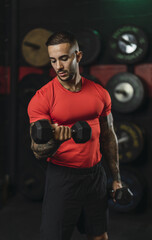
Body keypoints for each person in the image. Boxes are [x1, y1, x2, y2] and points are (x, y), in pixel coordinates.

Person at [27, 31, 122, 240]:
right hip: (63, 178)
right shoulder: (42, 99)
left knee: (99, 236)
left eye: (64, 58)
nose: (58, 66)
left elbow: (108, 135)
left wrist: (116, 179)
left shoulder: (100, 93)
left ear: (78, 56)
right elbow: (37, 151)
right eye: (53, 60)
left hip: (95, 175)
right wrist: (55, 140)